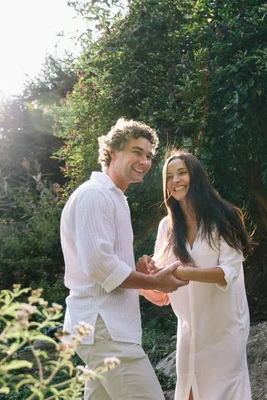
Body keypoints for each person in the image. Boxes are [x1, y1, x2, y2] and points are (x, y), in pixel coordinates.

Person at [61, 119, 188, 400]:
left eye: (149, 156)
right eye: (137, 151)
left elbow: (107, 268)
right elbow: (99, 266)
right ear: (113, 151)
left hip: (108, 329)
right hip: (105, 329)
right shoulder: (95, 195)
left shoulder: (116, 198)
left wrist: (137, 271)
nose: (144, 161)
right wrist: (154, 280)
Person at [148, 150, 253, 400]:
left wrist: (186, 272)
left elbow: (228, 273)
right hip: (189, 328)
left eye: (182, 173)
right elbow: (161, 276)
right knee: (189, 392)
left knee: (225, 393)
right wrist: (147, 269)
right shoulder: (168, 226)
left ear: (196, 176)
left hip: (224, 327)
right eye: (169, 176)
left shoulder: (223, 216)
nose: (175, 181)